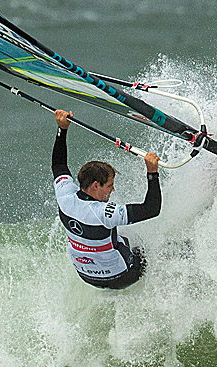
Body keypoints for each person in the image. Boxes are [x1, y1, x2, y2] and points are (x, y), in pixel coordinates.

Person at [51, 109, 161, 289]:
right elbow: (152, 209)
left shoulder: (65, 196)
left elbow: (58, 164)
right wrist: (152, 172)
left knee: (120, 238)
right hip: (121, 277)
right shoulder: (104, 214)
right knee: (154, 249)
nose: (113, 189)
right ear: (96, 185)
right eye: (109, 185)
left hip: (86, 276)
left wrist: (62, 129)